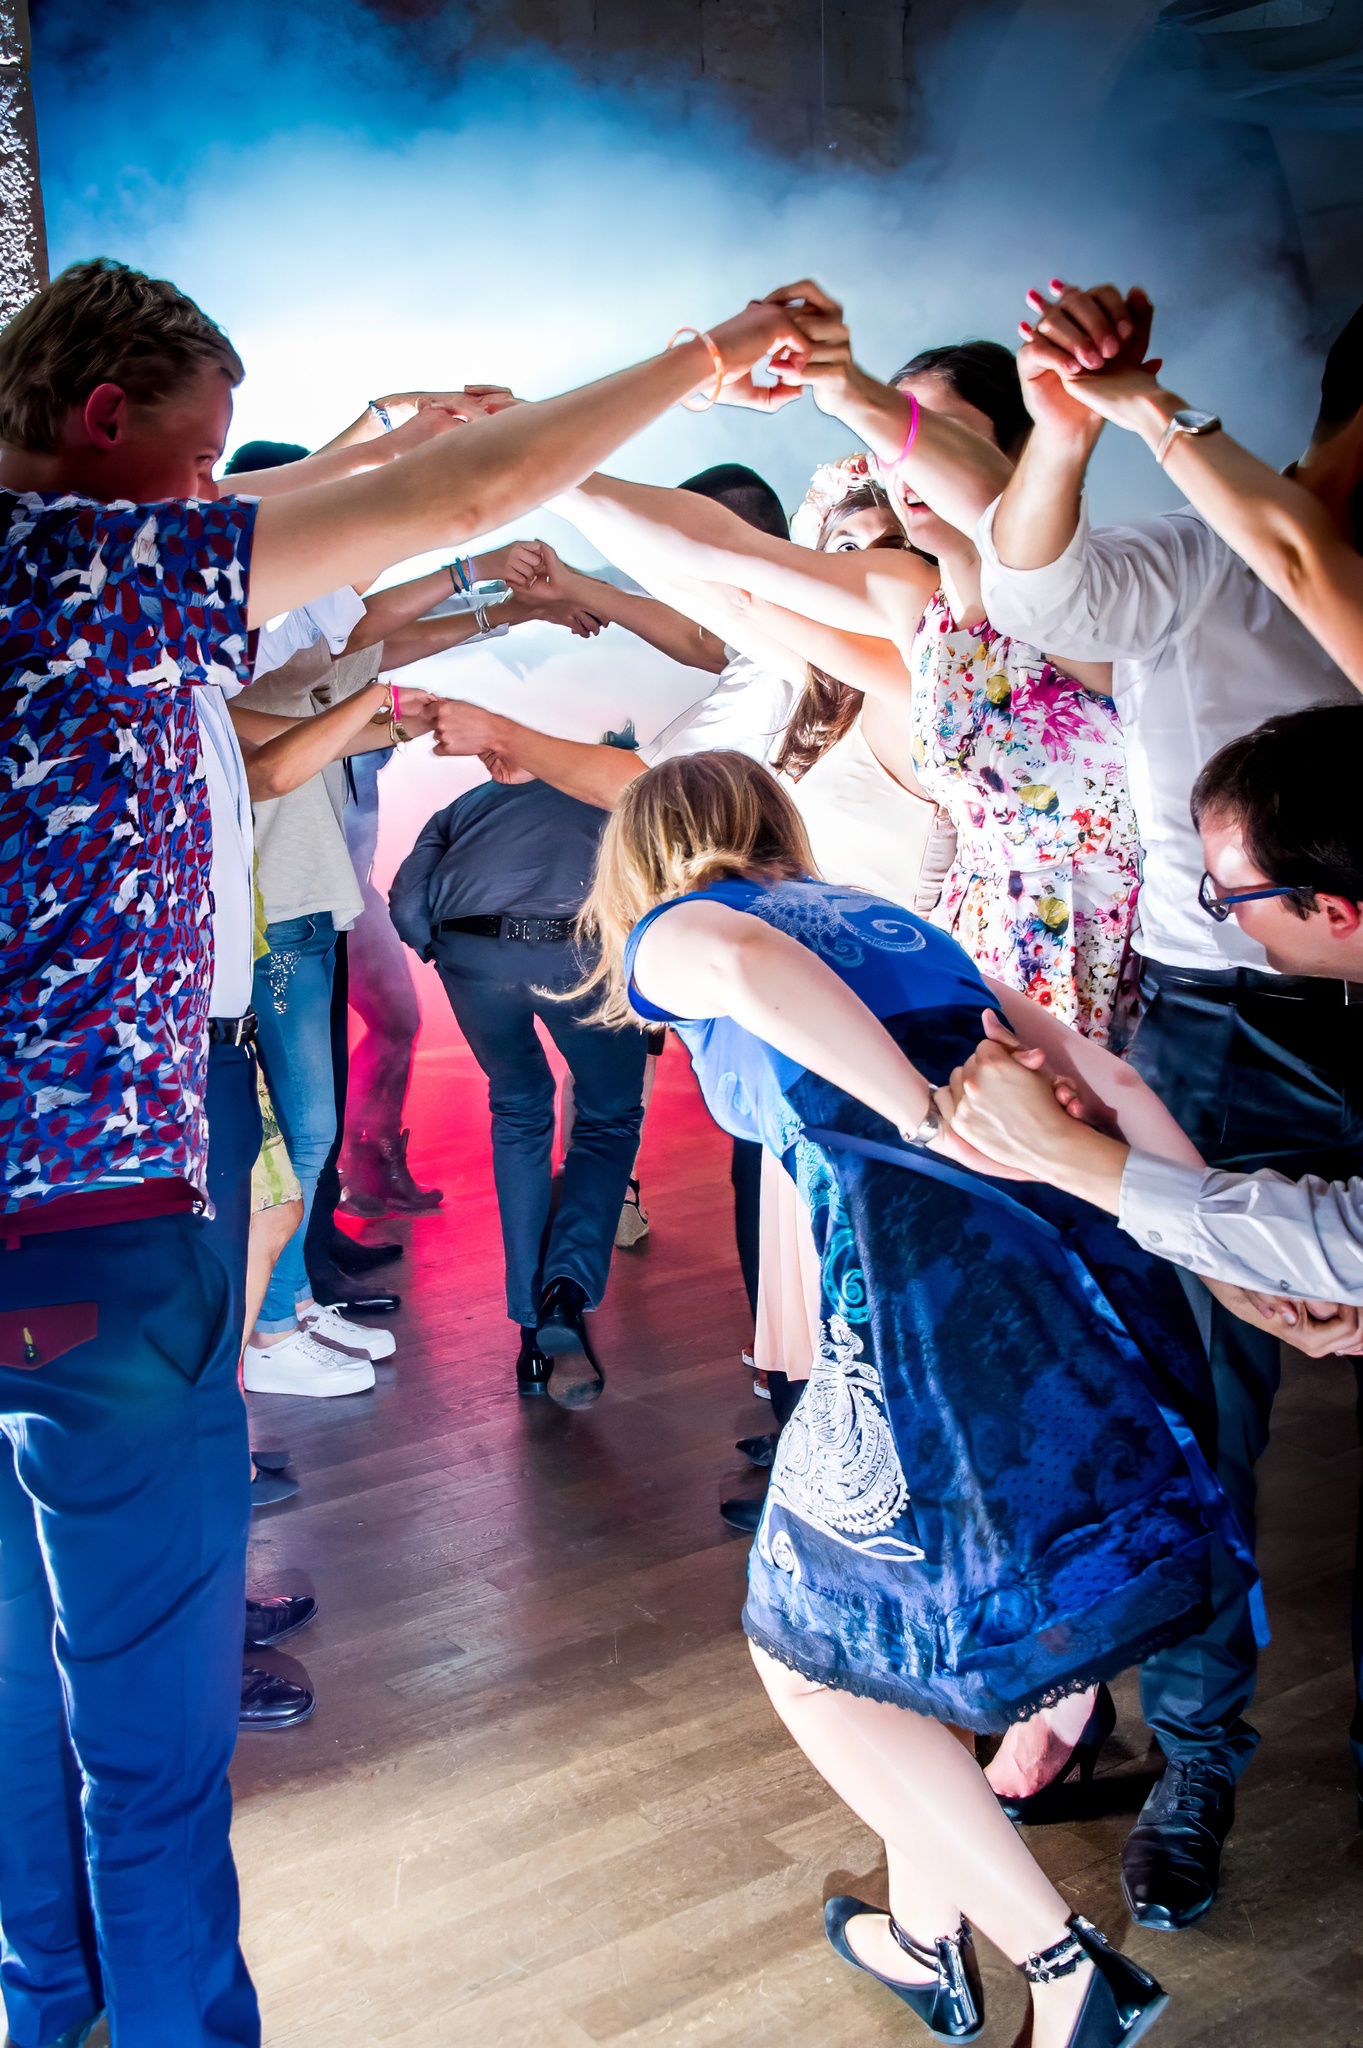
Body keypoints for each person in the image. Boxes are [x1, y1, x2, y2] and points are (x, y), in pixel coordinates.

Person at [0, 251, 806, 2045]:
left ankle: (40, 2010)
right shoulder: (87, 573)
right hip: (93, 1225)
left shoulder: (35, 560)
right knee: (149, 1741)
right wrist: (712, 346)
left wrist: (363, 459)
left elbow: (323, 524)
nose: (214, 508)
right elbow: (446, 503)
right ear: (107, 421)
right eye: (196, 467)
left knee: (9, 1681)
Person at [578, 748, 1257, 2048]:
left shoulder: (682, 930)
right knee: (887, 1632)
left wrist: (920, 1114)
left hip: (946, 1325)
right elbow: (1106, 1080)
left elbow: (738, 974)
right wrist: (1230, 1269)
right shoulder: (897, 925)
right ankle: (926, 1941)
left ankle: (1064, 1972)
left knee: (810, 1651)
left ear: (644, 867)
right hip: (1089, 1284)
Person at [973, 277, 1361, 1930]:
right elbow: (1026, 576)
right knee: (1199, 1417)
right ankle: (1196, 1752)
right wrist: (1067, 425)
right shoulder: (1202, 557)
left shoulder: (1305, 566)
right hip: (1219, 1022)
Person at [553, 301, 1141, 1046]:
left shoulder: (1083, 591)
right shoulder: (917, 607)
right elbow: (723, 563)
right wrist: (539, 469)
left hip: (1131, 967)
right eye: (885, 438)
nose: (904, 459)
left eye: (936, 432)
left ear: (1023, 449)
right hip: (982, 969)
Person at [390, 770, 647, 1407]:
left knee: (519, 1109)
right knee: (609, 1116)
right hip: (581, 952)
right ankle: (565, 1290)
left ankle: (531, 1335)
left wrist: (443, 952)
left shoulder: (467, 802)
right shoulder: (619, 785)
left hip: (474, 952)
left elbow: (404, 902)